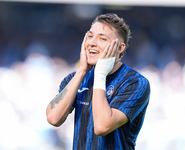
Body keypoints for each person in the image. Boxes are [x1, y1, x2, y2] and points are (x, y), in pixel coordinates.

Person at [46, 13, 150, 150]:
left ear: (119, 48)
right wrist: (82, 71)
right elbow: (54, 118)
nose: (92, 43)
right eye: (90, 36)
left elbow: (102, 126)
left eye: (102, 38)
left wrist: (100, 74)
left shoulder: (135, 83)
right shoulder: (75, 78)